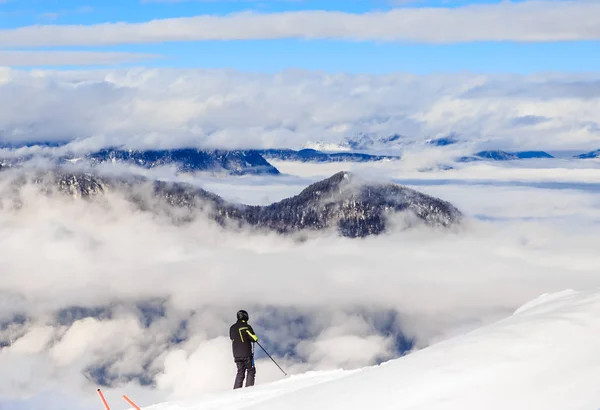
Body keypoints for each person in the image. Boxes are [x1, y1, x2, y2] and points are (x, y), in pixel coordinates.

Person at [230, 309, 259, 389]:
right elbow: (254, 338)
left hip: (236, 354)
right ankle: (248, 389)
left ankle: (236, 390)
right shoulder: (246, 327)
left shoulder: (232, 328)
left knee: (240, 372)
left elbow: (232, 338)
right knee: (251, 370)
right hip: (246, 353)